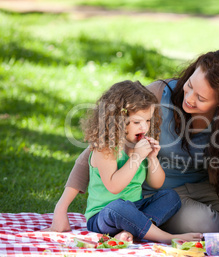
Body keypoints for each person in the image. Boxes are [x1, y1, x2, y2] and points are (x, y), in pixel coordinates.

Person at [47, 50, 219, 235]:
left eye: (201, 98)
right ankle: (145, 223)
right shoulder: (159, 96)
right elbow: (99, 148)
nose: (188, 98)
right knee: (207, 224)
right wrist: (61, 207)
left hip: (206, 188)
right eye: (189, 85)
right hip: (161, 192)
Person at [51, 80, 201, 243]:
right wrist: (136, 157)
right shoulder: (106, 148)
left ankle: (131, 230)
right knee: (120, 207)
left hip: (134, 209)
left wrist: (152, 159)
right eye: (137, 122)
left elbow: (157, 183)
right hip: (104, 215)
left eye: (148, 120)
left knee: (170, 196)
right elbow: (114, 187)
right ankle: (166, 237)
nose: (144, 127)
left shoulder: (139, 146)